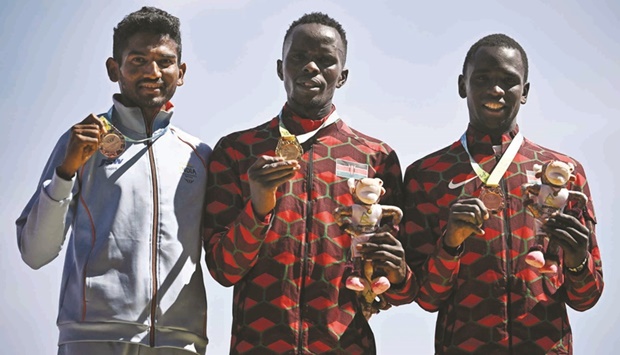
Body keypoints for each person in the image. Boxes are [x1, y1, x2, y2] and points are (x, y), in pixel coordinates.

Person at [203, 12, 415, 354]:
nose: (311, 67)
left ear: (342, 76)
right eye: (299, 58)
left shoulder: (376, 157)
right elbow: (224, 270)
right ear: (279, 68)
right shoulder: (237, 151)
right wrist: (257, 208)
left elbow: (402, 291)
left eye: (326, 60)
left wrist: (399, 273)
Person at [16, 7, 211, 355]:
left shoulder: (200, 155)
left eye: (165, 62)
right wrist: (66, 171)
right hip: (92, 338)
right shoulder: (79, 143)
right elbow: (35, 252)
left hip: (180, 340)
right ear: (113, 69)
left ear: (180, 73)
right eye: (137, 60)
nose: (152, 72)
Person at [395, 33, 603, 354]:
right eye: (483, 79)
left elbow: (587, 297)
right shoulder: (427, 174)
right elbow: (426, 297)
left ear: (525, 92)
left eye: (509, 81)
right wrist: (451, 244)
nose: (495, 90)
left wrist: (577, 261)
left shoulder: (564, 172)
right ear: (462, 85)